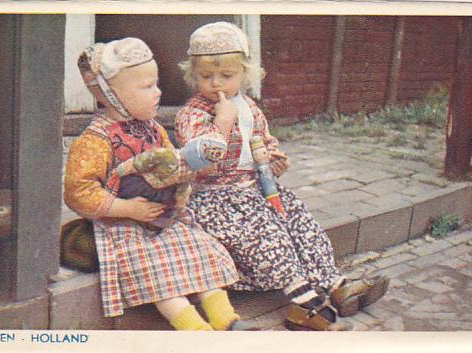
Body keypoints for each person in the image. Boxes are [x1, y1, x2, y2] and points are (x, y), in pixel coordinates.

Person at [175, 22, 389, 331]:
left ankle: (337, 286)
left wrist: (275, 161)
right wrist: (221, 124)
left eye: (227, 75)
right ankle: (304, 306)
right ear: (193, 76)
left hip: (258, 190)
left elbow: (264, 142)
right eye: (206, 76)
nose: (216, 84)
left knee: (302, 224)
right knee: (269, 238)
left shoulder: (248, 106)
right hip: (219, 201)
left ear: (243, 74)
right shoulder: (193, 114)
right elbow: (200, 162)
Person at [64, 37, 256, 331]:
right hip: (124, 226)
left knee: (200, 249)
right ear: (110, 94)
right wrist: (126, 208)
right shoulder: (95, 141)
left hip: (162, 219)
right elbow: (79, 192)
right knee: (157, 270)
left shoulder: (153, 129)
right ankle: (193, 327)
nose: (158, 93)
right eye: (146, 87)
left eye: (156, 84)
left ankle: (226, 318)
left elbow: (173, 163)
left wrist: (181, 184)